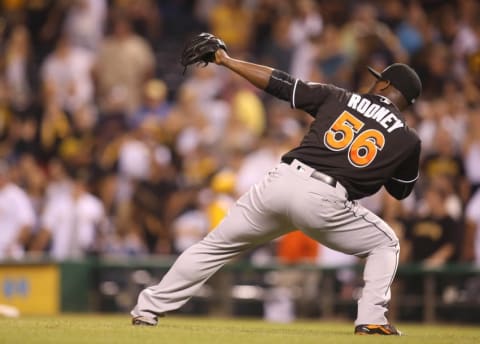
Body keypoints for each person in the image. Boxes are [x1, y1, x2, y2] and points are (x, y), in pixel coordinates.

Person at [131, 33, 422, 336]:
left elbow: (282, 84)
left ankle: (147, 309)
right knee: (386, 243)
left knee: (214, 247)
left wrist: (226, 60)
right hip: (326, 199)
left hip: (281, 181)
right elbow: (400, 191)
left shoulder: (339, 97)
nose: (373, 82)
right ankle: (371, 318)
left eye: (379, 80)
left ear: (386, 85)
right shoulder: (409, 139)